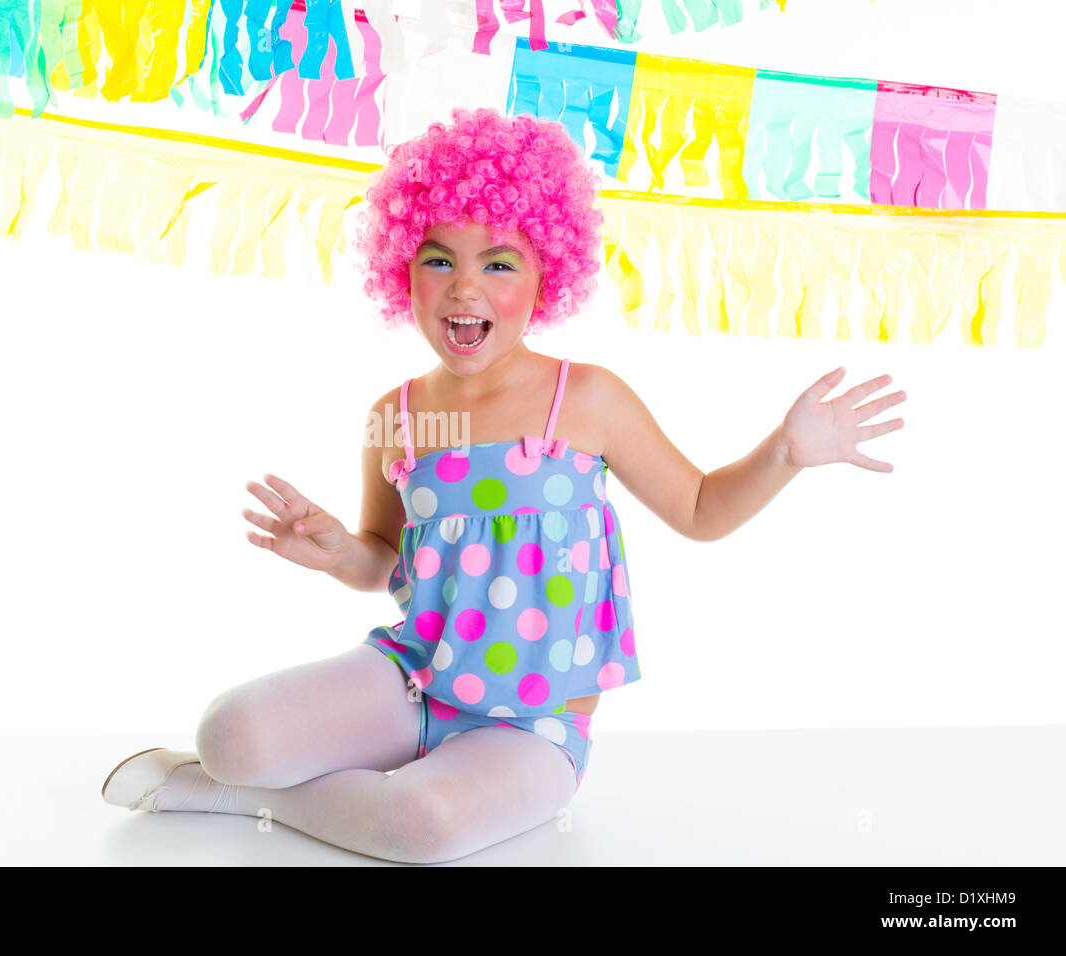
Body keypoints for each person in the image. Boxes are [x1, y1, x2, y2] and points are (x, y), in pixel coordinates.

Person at [100, 107, 907, 864]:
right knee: (232, 735)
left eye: (498, 262)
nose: (464, 286)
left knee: (421, 824)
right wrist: (338, 548)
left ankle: (245, 802)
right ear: (403, 270)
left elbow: (698, 511)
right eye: (439, 258)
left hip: (533, 721)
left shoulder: (585, 400)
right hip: (411, 677)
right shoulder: (399, 414)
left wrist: (785, 453)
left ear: (543, 275)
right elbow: (385, 560)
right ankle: (245, 775)